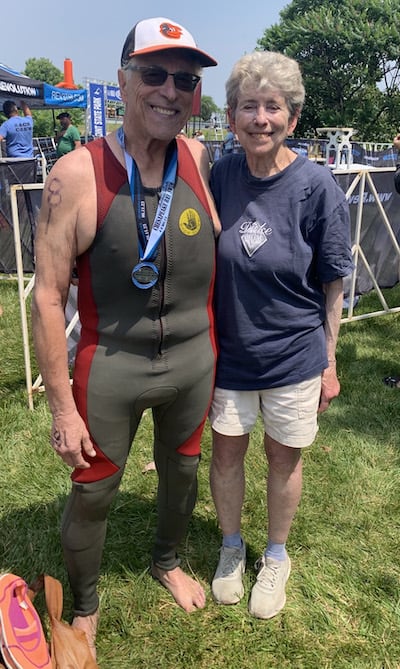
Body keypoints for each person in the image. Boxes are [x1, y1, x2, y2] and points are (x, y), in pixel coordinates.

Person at [31, 16, 219, 659]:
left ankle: (166, 559)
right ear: (122, 81)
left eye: (186, 80)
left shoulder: (198, 157)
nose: (171, 90)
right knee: (94, 488)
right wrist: (61, 408)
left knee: (183, 471)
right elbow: (49, 295)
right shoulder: (75, 174)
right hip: (111, 363)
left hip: (195, 360)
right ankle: (84, 603)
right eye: (155, 74)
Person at [208, 51, 353, 620]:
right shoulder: (220, 174)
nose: (261, 118)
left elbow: (334, 281)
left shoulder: (316, 185)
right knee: (226, 453)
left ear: (292, 118)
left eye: (273, 107)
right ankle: (229, 546)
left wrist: (330, 359)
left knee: (282, 458)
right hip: (230, 354)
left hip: (295, 354)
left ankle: (275, 553)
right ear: (231, 116)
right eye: (250, 106)